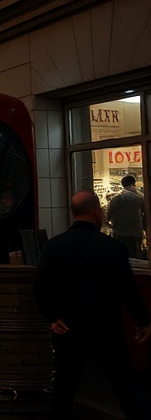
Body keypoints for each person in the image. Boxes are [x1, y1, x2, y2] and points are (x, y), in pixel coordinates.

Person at [33, 190, 151, 419]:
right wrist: (142, 320)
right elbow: (127, 288)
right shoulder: (112, 247)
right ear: (96, 211)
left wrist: (52, 317)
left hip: (68, 326)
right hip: (104, 325)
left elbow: (40, 285)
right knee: (124, 382)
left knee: (65, 384)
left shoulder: (54, 246)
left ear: (73, 213)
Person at [105, 174, 146, 259]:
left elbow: (107, 216)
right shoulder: (141, 197)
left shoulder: (117, 198)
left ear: (122, 184)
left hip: (120, 233)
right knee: (136, 256)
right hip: (137, 232)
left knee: (122, 257)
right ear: (134, 183)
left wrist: (111, 226)